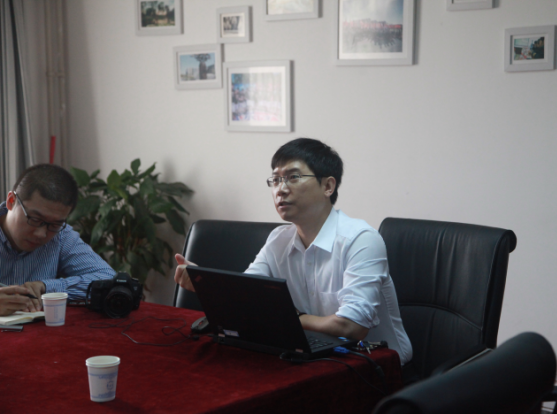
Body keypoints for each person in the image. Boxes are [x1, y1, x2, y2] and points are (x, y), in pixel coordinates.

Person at [174, 138, 413, 365]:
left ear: (328, 186)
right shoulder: (279, 239)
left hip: (377, 367)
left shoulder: (361, 240)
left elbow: (352, 326)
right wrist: (204, 284)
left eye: (293, 177)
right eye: (276, 180)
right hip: (313, 357)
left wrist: (293, 318)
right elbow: (245, 295)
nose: (281, 189)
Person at [0, 164, 116, 316]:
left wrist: (46, 287)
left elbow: (108, 278)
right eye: (35, 219)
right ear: (11, 201)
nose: (41, 234)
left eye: (55, 224)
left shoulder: (61, 236)